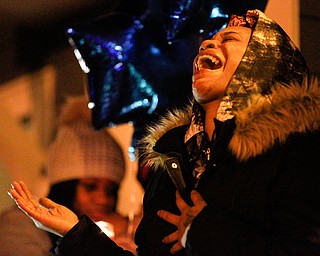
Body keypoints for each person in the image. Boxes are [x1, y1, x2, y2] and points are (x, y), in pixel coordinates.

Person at [8, 9, 320, 256]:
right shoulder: (172, 164)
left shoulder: (295, 152)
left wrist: (206, 232)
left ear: (263, 61)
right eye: (209, 40)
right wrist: (76, 233)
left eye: (230, 39)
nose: (209, 43)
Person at [1, 97, 137, 255]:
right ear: (66, 187)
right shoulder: (19, 225)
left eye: (111, 190)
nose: (103, 199)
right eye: (90, 187)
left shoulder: (116, 233)